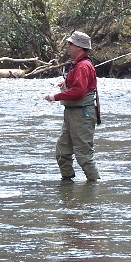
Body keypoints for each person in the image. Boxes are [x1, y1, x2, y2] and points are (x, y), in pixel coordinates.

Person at [44, 31, 101, 182]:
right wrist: (63, 83)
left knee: (84, 157)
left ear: (79, 47)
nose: (68, 46)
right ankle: (67, 188)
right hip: (71, 114)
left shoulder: (83, 66)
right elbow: (75, 85)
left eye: (71, 44)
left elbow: (78, 92)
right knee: (62, 153)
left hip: (82, 115)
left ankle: (94, 190)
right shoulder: (78, 65)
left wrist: (54, 97)